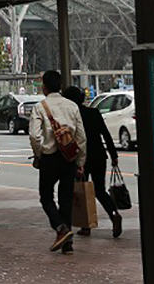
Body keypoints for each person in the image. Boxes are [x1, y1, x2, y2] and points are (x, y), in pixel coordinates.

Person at [29, 70, 87, 254]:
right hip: (69, 157)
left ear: (44, 87)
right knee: (66, 199)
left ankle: (60, 228)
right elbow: (81, 137)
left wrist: (39, 153)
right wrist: (80, 161)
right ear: (60, 86)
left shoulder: (40, 107)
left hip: (49, 157)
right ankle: (68, 244)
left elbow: (34, 135)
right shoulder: (72, 106)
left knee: (46, 196)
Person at [64, 86, 123, 238]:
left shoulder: (71, 116)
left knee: (82, 191)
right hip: (99, 156)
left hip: (81, 158)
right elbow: (105, 133)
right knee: (100, 190)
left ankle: (86, 226)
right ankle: (114, 214)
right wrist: (113, 154)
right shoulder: (93, 112)